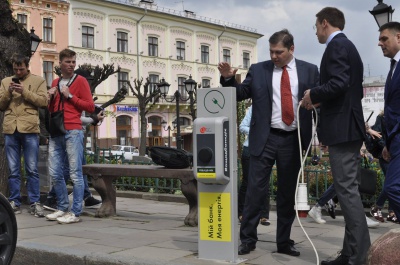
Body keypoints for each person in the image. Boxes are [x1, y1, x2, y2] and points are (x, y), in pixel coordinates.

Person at [219, 29, 319, 257]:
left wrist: (316, 105)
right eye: (271, 51)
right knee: (255, 190)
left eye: (279, 52)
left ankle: (284, 241)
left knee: (286, 193)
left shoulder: (310, 70)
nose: (274, 56)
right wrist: (228, 79)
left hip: (293, 139)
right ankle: (247, 239)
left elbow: (320, 97)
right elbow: (240, 93)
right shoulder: (259, 69)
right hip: (265, 138)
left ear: (291, 49)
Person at [301, 7, 370, 265]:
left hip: (343, 130)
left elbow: (339, 82)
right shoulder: (348, 46)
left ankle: (359, 256)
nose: (315, 31)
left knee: (346, 191)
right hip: (347, 127)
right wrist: (320, 102)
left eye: (316, 26)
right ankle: (351, 254)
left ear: (324, 23)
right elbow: (349, 90)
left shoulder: (336, 46)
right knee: (346, 190)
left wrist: (313, 95)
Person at [45, 48, 95, 224]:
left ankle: (75, 212)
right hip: (56, 131)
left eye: (74, 62)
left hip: (73, 130)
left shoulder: (80, 81)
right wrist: (50, 98)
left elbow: (90, 107)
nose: (72, 65)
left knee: (75, 173)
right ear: (60, 63)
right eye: (68, 62)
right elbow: (52, 110)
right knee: (55, 172)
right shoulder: (55, 82)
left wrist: (70, 95)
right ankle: (62, 207)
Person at [0, 54, 48, 217]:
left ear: (27, 66)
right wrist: (8, 92)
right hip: (11, 129)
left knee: (32, 169)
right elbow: (1, 104)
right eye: (15, 69)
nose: (18, 72)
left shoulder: (38, 81)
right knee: (13, 170)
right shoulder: (6, 81)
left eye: (21, 69)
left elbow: (43, 101)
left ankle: (35, 202)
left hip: (29, 130)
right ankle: (14, 201)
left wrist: (24, 92)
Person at [43, 111, 104, 211]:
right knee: (71, 170)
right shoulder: (70, 98)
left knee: (80, 168)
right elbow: (76, 118)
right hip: (70, 134)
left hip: (74, 134)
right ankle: (53, 197)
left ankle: (86, 197)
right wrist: (93, 119)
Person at [377, 21, 400, 227]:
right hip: (394, 139)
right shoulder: (394, 67)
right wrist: (387, 143)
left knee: (392, 187)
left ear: (398, 37)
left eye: (384, 38)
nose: (379, 43)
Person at [238, 106, 270, 226]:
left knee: (264, 182)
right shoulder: (254, 108)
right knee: (247, 182)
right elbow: (242, 127)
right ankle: (241, 213)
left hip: (266, 150)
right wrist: (256, 131)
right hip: (249, 149)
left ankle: (264, 215)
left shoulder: (276, 108)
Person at [367, 112, 397, 223]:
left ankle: (391, 212)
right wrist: (386, 147)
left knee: (393, 182)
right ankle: (378, 207)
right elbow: (377, 135)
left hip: (395, 154)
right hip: (385, 155)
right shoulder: (382, 117)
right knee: (392, 182)